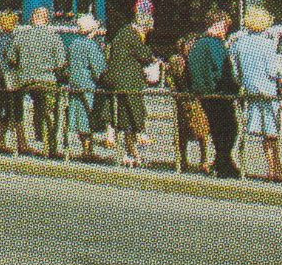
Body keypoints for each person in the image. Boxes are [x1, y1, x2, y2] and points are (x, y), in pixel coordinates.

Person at [233, 8, 282, 182]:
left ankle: (272, 167)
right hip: (268, 91)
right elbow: (274, 71)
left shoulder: (239, 43)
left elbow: (236, 72)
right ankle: (274, 169)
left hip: (251, 92)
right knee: (271, 132)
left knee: (258, 131)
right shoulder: (267, 44)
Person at [189, 10, 240, 179]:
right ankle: (223, 162)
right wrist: (233, 87)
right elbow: (222, 69)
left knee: (217, 129)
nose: (226, 30)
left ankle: (222, 162)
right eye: (225, 26)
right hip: (219, 93)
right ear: (216, 24)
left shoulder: (198, 44)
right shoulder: (214, 44)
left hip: (203, 93)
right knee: (230, 128)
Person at [11, 7, 67, 155]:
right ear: (47, 20)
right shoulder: (54, 37)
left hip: (24, 80)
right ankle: (50, 147)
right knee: (50, 112)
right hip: (47, 80)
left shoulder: (20, 36)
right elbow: (61, 63)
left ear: (32, 19)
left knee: (19, 109)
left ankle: (23, 142)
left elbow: (12, 58)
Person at [102, 9, 156, 167]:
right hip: (128, 81)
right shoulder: (132, 35)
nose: (148, 33)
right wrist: (153, 58)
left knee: (126, 119)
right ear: (143, 26)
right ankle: (139, 140)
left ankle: (131, 154)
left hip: (119, 81)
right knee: (134, 115)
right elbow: (145, 55)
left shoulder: (123, 33)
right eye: (148, 29)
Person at [63, 14, 106, 161]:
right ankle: (89, 151)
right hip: (89, 85)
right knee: (89, 117)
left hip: (74, 84)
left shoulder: (73, 44)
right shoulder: (92, 46)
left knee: (79, 117)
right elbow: (99, 69)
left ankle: (84, 148)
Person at [166, 34, 211, 172]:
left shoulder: (199, 60)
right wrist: (175, 91)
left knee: (202, 131)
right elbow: (170, 78)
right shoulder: (176, 60)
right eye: (190, 45)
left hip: (198, 100)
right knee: (182, 132)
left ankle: (204, 160)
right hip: (183, 100)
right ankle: (183, 160)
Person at [0, 12, 23, 154]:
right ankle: (7, 139)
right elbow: (15, 61)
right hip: (10, 79)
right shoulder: (15, 39)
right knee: (12, 111)